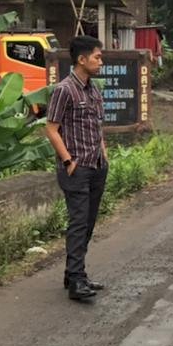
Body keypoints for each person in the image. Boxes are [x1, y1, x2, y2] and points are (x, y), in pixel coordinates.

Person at [44, 35, 109, 302]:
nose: (100, 61)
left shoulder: (93, 89)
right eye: (97, 57)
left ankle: (75, 273)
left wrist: (103, 153)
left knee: (89, 221)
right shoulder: (64, 89)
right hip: (77, 167)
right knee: (78, 222)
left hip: (96, 164)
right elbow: (51, 128)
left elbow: (96, 124)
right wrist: (68, 161)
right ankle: (76, 281)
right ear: (81, 60)